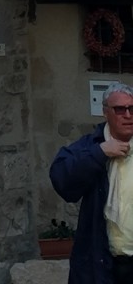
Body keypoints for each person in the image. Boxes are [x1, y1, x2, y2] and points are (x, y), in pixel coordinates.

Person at [50, 81, 133, 283]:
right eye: (120, 109)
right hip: (102, 262)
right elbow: (62, 180)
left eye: (132, 109)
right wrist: (100, 153)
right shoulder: (91, 145)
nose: (128, 115)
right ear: (105, 113)